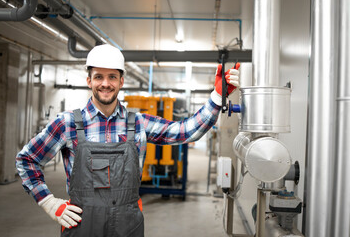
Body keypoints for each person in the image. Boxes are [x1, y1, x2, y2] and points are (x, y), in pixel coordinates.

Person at [16, 44, 240, 237]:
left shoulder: (139, 123)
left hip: (127, 225)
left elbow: (185, 131)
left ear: (121, 81)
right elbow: (27, 159)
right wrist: (49, 202)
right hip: (82, 224)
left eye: (112, 76)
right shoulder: (67, 124)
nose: (105, 83)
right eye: (99, 77)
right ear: (88, 80)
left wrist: (216, 97)